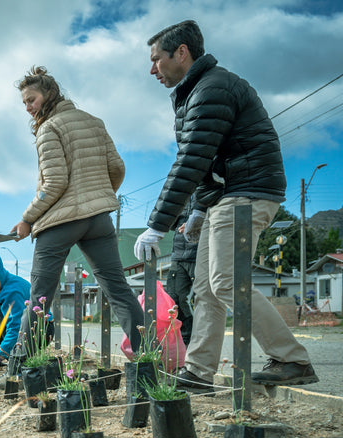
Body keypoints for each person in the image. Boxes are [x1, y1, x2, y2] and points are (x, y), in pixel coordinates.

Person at [135, 20, 317, 390]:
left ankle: (291, 358)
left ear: (181, 52)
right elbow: (209, 160)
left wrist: (158, 224)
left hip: (246, 194)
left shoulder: (212, 88)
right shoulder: (196, 91)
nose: (152, 69)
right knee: (205, 288)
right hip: (227, 195)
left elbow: (192, 159)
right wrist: (200, 209)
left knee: (225, 282)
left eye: (156, 60)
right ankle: (199, 371)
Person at [9, 66, 144, 364]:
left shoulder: (50, 128)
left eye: (31, 100)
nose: (29, 108)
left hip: (60, 222)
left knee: (40, 295)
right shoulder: (94, 122)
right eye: (25, 104)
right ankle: (149, 358)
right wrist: (97, 197)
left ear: (48, 95)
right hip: (99, 220)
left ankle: (23, 364)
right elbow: (117, 168)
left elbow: (54, 182)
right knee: (118, 288)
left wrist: (27, 218)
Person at [167, 207, 198, 346]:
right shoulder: (182, 194)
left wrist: (196, 223)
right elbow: (169, 222)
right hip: (178, 255)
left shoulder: (207, 189)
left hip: (200, 254)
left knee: (202, 299)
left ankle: (199, 341)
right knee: (175, 299)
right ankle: (184, 340)